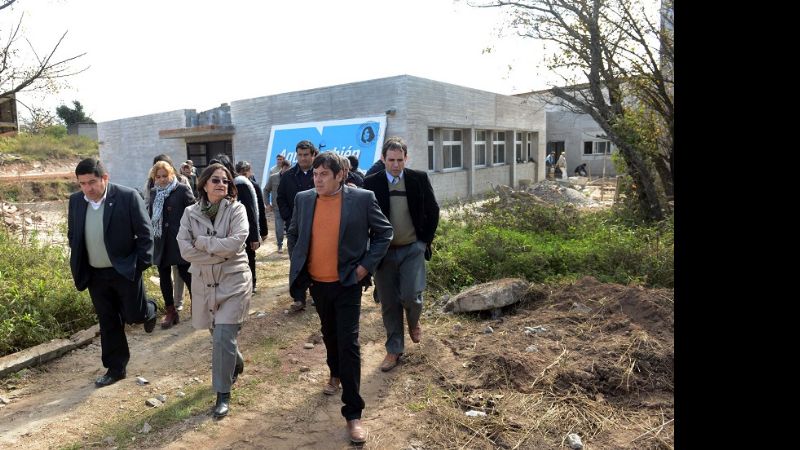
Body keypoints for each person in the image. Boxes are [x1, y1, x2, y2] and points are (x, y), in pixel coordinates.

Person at [287, 152, 392, 444]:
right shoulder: (304, 199)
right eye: (315, 174)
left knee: (349, 342)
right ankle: (334, 373)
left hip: (347, 283)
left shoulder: (361, 198)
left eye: (323, 174)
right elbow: (295, 232)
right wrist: (300, 263)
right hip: (317, 284)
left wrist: (363, 268)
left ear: (339, 176)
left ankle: (353, 413)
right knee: (329, 334)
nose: (317, 179)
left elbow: (384, 233)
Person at [67, 158, 157, 387]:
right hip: (95, 274)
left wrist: (139, 265)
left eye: (92, 182)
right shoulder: (76, 202)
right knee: (108, 321)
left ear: (105, 178)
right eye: (82, 184)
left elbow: (146, 235)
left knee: (133, 316)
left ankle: (150, 308)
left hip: (125, 270)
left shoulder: (126, 197)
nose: (88, 188)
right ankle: (115, 368)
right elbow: (73, 234)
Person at [177, 163, 251, 419]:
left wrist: (205, 244)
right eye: (216, 180)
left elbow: (236, 243)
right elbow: (184, 249)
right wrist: (217, 253)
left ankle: (223, 393)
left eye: (226, 181)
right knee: (218, 334)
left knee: (222, 336)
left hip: (233, 282)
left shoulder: (237, 209)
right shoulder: (189, 213)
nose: (222, 184)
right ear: (204, 184)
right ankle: (235, 360)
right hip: (203, 284)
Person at [364, 137, 440, 373]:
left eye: (400, 160)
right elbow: (365, 218)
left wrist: (423, 241)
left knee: (411, 295)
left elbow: (433, 210)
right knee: (389, 302)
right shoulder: (371, 182)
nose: (395, 165)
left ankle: (414, 321)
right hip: (384, 252)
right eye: (391, 160)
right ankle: (394, 349)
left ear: (406, 159)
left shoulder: (418, 178)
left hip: (411, 249)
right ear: (383, 159)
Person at [147, 161, 195, 329]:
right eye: (158, 177)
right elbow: (151, 214)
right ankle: (171, 311)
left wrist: (191, 234)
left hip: (180, 239)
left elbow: (193, 212)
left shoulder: (181, 189)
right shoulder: (153, 193)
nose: (161, 180)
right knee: (164, 276)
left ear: (172, 175)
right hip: (161, 240)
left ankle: (197, 307)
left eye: (164, 176)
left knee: (186, 272)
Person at [277, 140, 318, 311]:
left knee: (316, 261)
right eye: (299, 155)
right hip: (296, 228)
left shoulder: (320, 174)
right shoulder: (287, 176)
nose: (302, 158)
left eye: (306, 155)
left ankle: (317, 296)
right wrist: (289, 218)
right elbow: (280, 198)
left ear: (313, 154)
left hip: (318, 226)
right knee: (297, 261)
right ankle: (299, 298)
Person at [235, 160, 270, 293]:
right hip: (238, 229)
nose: (244, 175)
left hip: (251, 229)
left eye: (246, 172)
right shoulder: (234, 185)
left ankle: (252, 283)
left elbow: (259, 209)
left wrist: (263, 231)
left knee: (250, 256)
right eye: (241, 173)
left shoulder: (253, 186)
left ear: (250, 172)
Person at [264, 159, 291, 253]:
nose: (287, 170)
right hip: (277, 208)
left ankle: (290, 245)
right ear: (282, 168)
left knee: (290, 228)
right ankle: (279, 245)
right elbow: (266, 190)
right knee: (279, 228)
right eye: (285, 168)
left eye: (289, 168)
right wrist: (267, 203)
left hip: (290, 208)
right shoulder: (273, 178)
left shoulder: (291, 177)